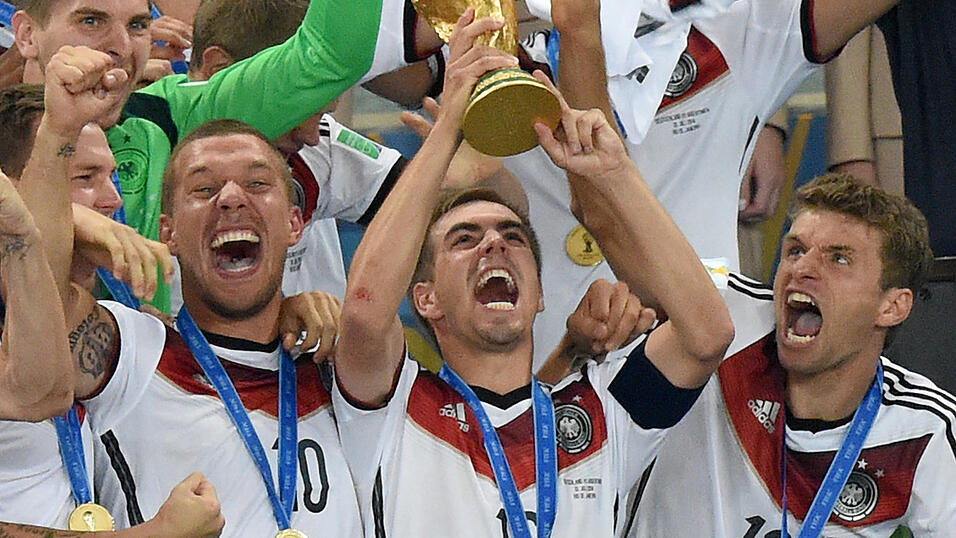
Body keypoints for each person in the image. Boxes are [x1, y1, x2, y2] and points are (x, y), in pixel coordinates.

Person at [333, 10, 733, 537]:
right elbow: (363, 309)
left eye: (514, 237)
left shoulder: (600, 414)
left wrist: (616, 175)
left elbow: (707, 334)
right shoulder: (391, 409)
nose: (494, 243)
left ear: (540, 293)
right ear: (425, 299)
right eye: (464, 239)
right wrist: (446, 131)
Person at [24, 44, 361, 536]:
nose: (230, 198)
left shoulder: (340, 364)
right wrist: (57, 131)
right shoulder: (130, 351)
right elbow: (33, 289)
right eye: (203, 190)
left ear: (295, 223)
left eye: (257, 183)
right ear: (169, 232)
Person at [508, 0, 916, 368]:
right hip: (546, 389)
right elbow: (597, 207)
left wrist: (581, 29)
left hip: (706, 385)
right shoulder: (488, 55)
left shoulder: (738, 36)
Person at [624, 174, 955, 536]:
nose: (802, 269)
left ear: (892, 306)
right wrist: (605, 165)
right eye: (795, 250)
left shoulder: (925, 429)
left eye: (839, 259)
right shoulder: (725, 315)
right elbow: (624, 241)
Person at [9, 0, 393, 311]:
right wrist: (70, 217)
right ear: (27, 35)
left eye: (139, 26)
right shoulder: (5, 135)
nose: (122, 47)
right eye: (91, 21)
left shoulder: (172, 115)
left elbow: (330, 56)